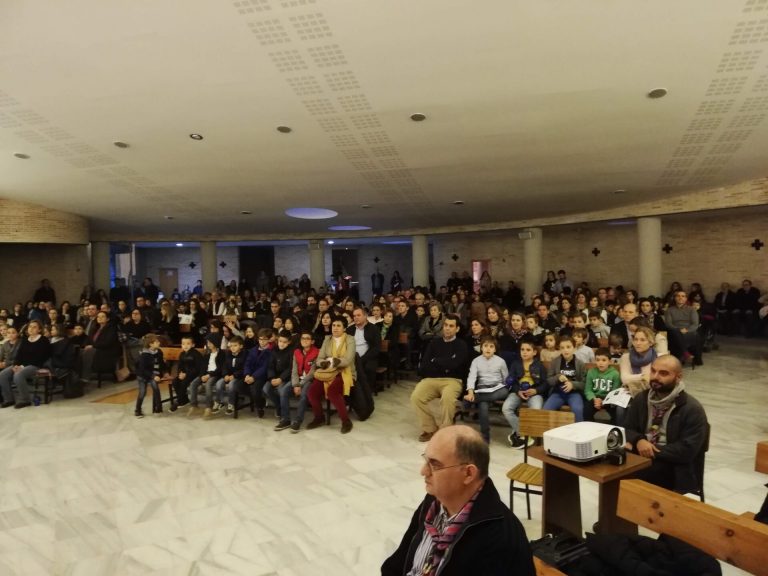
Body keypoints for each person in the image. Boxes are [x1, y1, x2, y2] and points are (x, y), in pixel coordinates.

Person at [381, 425, 535, 576]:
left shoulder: (501, 539)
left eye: (434, 465)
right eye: (426, 460)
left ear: (468, 473)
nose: (423, 471)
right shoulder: (434, 501)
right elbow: (399, 561)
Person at [623, 356, 708, 493]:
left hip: (674, 465)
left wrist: (650, 450)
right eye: (653, 371)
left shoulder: (691, 408)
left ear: (678, 377)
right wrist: (639, 440)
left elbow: (687, 451)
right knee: (612, 464)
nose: (655, 377)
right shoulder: (641, 398)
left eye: (663, 373)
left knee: (637, 475)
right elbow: (628, 428)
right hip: (641, 454)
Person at [410, 315, 469, 442]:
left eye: (451, 326)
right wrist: (446, 363)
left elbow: (456, 365)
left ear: (457, 329)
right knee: (416, 397)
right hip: (432, 379)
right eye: (445, 325)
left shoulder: (461, 345)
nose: (447, 328)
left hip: (452, 380)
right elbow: (425, 365)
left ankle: (445, 430)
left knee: (447, 398)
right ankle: (430, 428)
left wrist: (435, 360)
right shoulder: (434, 343)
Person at [307, 316, 356, 434]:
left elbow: (348, 359)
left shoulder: (350, 339)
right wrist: (323, 363)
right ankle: (319, 418)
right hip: (327, 372)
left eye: (339, 326)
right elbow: (319, 358)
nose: (335, 328)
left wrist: (332, 361)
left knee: (332, 392)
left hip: (344, 372)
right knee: (312, 392)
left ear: (344, 328)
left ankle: (346, 421)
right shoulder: (327, 339)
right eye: (333, 325)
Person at [462, 336, 508, 444]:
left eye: (491, 346)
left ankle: (472, 400)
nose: (488, 348)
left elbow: (506, 379)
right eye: (485, 346)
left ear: (495, 349)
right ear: (481, 348)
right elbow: (472, 377)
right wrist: (470, 392)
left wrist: (472, 396)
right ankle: (485, 436)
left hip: (498, 388)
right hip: (483, 388)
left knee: (503, 391)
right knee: (483, 406)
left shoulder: (501, 361)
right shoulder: (476, 361)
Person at [502, 341, 547, 448]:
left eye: (528, 350)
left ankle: (519, 434)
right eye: (522, 349)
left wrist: (536, 391)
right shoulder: (515, 364)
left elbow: (545, 383)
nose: (524, 352)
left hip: (534, 392)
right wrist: (518, 391)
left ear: (534, 352)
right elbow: (511, 381)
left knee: (536, 409)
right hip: (518, 392)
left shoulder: (539, 365)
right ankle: (522, 433)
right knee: (506, 408)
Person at [0, 320, 51, 408]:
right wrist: (16, 365)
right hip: (22, 365)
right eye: (30, 327)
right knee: (2, 375)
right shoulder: (25, 340)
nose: (31, 329)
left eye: (34, 327)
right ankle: (9, 399)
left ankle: (25, 400)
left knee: (18, 374)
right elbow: (19, 355)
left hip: (36, 365)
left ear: (39, 330)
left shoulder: (43, 340)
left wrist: (22, 366)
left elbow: (40, 357)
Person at [542, 335, 586, 422]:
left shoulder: (580, 364)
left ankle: (579, 430)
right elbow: (549, 380)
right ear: (559, 349)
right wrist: (558, 377)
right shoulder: (554, 362)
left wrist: (573, 384)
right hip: (558, 393)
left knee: (577, 409)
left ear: (574, 348)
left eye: (568, 347)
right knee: (546, 409)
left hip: (574, 394)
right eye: (562, 348)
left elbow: (584, 383)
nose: (565, 350)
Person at [187, 333, 225, 419]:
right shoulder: (207, 354)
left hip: (215, 374)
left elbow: (220, 368)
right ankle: (194, 405)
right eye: (207, 343)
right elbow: (203, 367)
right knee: (193, 384)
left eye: (210, 342)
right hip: (206, 374)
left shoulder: (221, 354)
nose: (208, 344)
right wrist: (202, 376)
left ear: (215, 342)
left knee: (208, 384)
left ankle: (208, 407)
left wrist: (209, 375)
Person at [583, 348, 622, 424]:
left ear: (609, 361)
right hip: (595, 398)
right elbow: (588, 390)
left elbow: (615, 392)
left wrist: (604, 401)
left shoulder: (615, 374)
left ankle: (613, 428)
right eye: (598, 360)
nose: (600, 363)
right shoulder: (591, 372)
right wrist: (595, 399)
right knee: (587, 408)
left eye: (604, 360)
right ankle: (589, 427)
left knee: (615, 410)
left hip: (609, 399)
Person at [664, 290, 702, 365]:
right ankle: (685, 353)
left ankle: (682, 356)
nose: (680, 298)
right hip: (675, 331)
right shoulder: (669, 310)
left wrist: (687, 330)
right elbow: (669, 324)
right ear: (675, 298)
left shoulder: (691, 309)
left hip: (689, 332)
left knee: (696, 335)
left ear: (686, 299)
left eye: (683, 296)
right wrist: (678, 330)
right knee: (675, 334)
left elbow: (695, 324)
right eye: (678, 296)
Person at [348, 306, 381, 393]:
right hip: (352, 357)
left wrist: (362, 359)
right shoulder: (350, 329)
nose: (356, 317)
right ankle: (350, 391)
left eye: (358, 315)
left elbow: (376, 348)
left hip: (368, 357)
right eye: (354, 316)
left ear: (365, 316)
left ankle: (366, 392)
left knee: (368, 367)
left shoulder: (374, 329)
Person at [264, 330, 295, 424]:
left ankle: (284, 416)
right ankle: (279, 406)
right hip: (275, 377)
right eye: (280, 341)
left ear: (289, 342)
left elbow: (291, 368)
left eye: (284, 342)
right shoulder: (274, 350)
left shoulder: (292, 351)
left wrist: (281, 378)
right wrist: (272, 378)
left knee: (281, 390)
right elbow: (270, 366)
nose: (281, 344)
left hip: (286, 378)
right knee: (266, 388)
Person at [135, 334, 167, 418]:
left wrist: (165, 372)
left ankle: (158, 408)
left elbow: (161, 364)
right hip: (143, 376)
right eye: (156, 342)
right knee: (142, 392)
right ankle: (138, 410)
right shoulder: (144, 355)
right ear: (151, 344)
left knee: (156, 388)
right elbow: (142, 369)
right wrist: (153, 376)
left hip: (153, 374)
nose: (159, 342)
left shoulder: (159, 352)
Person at [171, 336, 203, 410]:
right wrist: (180, 374)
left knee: (184, 383)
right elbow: (180, 366)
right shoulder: (182, 354)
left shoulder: (196, 354)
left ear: (193, 345)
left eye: (188, 344)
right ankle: (184, 399)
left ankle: (179, 401)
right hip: (184, 374)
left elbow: (198, 368)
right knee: (175, 381)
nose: (185, 346)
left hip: (194, 374)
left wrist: (186, 374)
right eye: (183, 344)